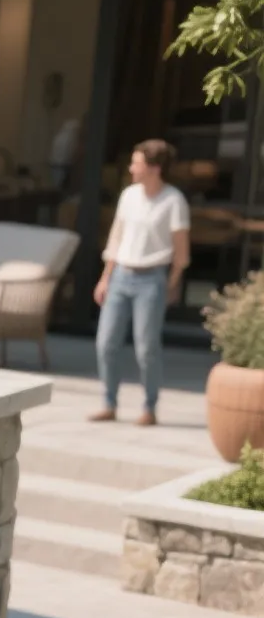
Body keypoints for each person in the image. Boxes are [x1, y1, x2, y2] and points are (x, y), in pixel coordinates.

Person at [91, 139, 190, 427]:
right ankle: (108, 403)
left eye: (137, 163)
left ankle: (150, 406)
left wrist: (170, 283)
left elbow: (181, 254)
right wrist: (105, 278)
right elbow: (116, 238)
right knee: (105, 343)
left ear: (154, 169)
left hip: (152, 279)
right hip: (121, 275)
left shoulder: (173, 201)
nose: (131, 168)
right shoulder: (129, 196)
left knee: (146, 348)